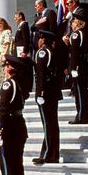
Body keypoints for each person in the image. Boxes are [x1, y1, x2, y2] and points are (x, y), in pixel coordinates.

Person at [0, 55, 28, 175]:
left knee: (8, 170)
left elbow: (4, 109)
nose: (4, 68)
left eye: (5, 65)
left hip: (9, 129)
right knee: (16, 169)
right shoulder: (18, 84)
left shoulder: (8, 84)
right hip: (18, 127)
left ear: (9, 68)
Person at [33, 30, 62, 165]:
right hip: (53, 92)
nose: (38, 41)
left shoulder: (43, 52)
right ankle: (54, 153)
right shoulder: (53, 51)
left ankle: (48, 154)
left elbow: (41, 74)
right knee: (52, 124)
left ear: (42, 40)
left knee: (48, 124)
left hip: (46, 93)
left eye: (39, 38)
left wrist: (40, 93)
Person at [65, 18, 88, 124]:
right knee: (83, 92)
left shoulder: (76, 34)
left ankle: (81, 117)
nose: (72, 25)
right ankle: (85, 116)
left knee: (80, 93)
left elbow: (75, 53)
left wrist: (73, 68)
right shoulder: (82, 33)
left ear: (78, 24)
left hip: (78, 67)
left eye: (73, 23)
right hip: (82, 66)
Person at [13, 11, 33, 99]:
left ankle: (26, 88)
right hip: (19, 51)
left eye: (15, 16)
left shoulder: (24, 25)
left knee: (24, 71)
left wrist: (25, 51)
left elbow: (26, 39)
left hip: (22, 52)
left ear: (20, 16)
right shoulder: (20, 26)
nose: (14, 18)